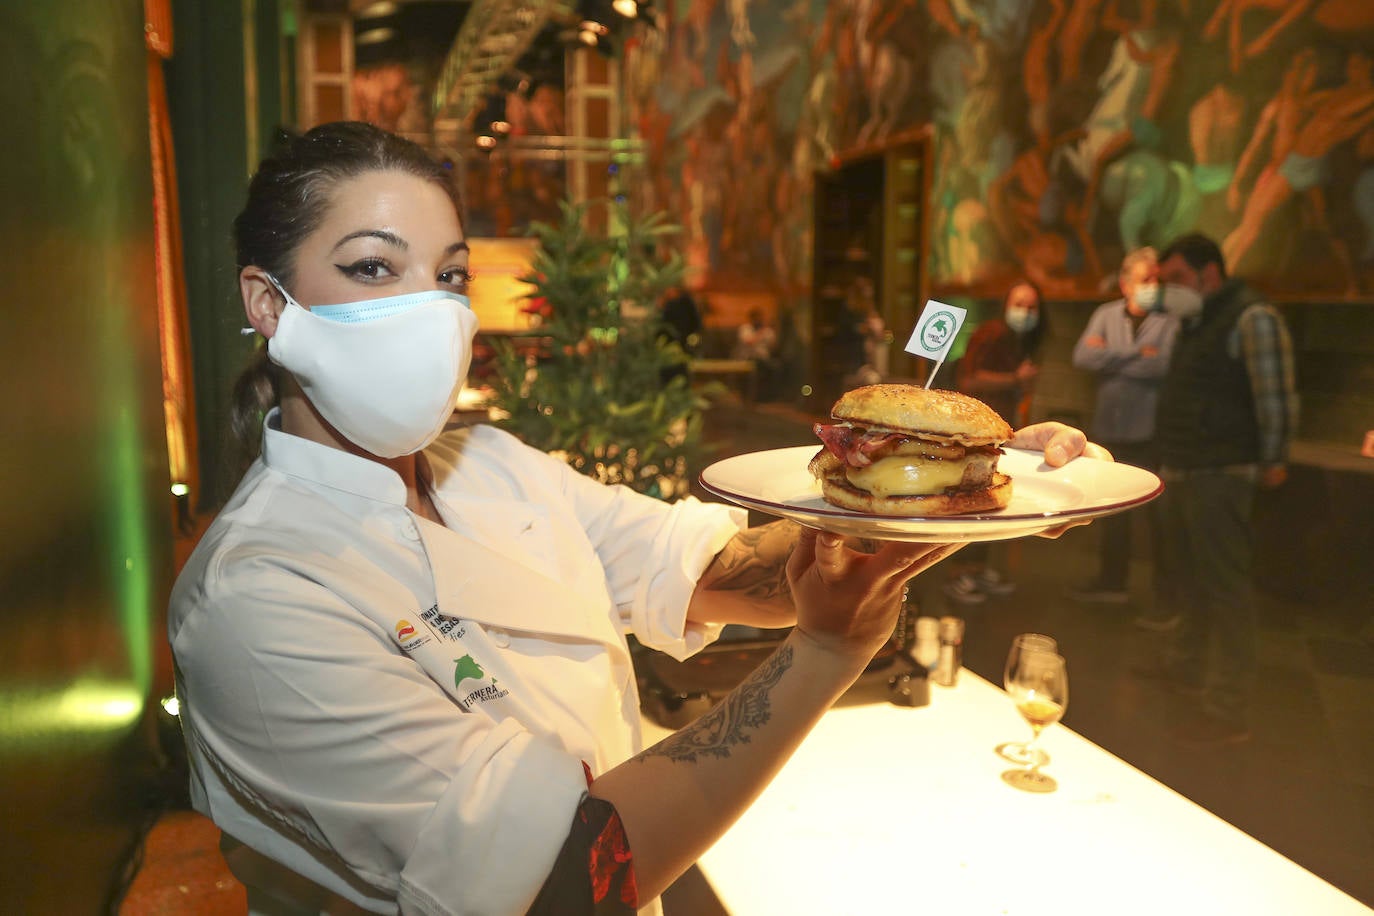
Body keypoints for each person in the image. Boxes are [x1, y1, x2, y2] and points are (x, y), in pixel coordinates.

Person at [169, 121, 1104, 915]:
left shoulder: (491, 465)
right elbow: (562, 879)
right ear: (268, 303)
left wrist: (944, 494)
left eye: (449, 275)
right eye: (374, 267)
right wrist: (823, 655)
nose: (429, 309)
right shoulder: (255, 599)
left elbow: (715, 568)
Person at [1140, 232, 1299, 748]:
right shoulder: (1198, 319)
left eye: (1178, 279)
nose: (1170, 290)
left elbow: (1275, 396)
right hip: (1185, 467)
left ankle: (1228, 706)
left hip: (1223, 471)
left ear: (1211, 273)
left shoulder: (1253, 317)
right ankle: (1187, 667)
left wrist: (1274, 458)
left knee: (1226, 586)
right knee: (1190, 576)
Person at [1070, 247, 1178, 610]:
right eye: (1146, 280)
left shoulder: (1170, 321)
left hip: (1149, 433)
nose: (1154, 286)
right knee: (1112, 512)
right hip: (1109, 429)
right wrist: (1136, 354)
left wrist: (1111, 357)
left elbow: (1162, 366)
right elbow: (1083, 357)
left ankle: (1166, 596)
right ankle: (1111, 582)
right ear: (1125, 284)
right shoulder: (1105, 314)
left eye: (1158, 280)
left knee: (1157, 517)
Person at [944, 280, 1046, 604]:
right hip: (973, 433)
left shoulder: (1021, 341)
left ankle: (976, 568)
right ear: (1005, 304)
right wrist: (1015, 379)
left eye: (1032, 307)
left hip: (998, 432)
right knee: (967, 498)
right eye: (1019, 304)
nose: (1025, 312)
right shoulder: (990, 333)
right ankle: (958, 573)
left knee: (987, 500)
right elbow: (969, 378)